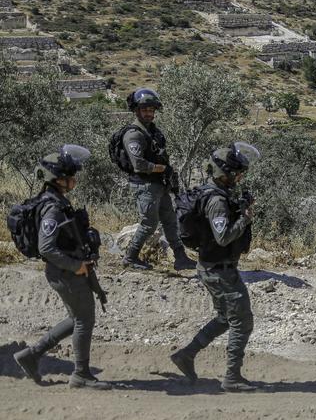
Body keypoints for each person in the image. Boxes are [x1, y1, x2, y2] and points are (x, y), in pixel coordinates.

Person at [14, 145, 112, 390]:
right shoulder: (53, 208)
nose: (74, 181)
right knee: (84, 320)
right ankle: (81, 375)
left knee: (76, 318)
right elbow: (46, 247)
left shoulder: (56, 200)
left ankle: (31, 355)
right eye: (70, 177)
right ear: (57, 179)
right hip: (66, 273)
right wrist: (76, 265)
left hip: (67, 271)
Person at [169, 142, 260, 392]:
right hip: (219, 271)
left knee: (224, 318)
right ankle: (232, 377)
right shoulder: (217, 200)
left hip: (215, 267)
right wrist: (245, 219)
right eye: (237, 173)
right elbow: (223, 237)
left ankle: (186, 355)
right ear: (224, 172)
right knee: (242, 321)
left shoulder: (218, 193)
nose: (240, 178)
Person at [118, 87, 196, 271]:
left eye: (151, 110)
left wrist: (166, 173)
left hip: (158, 184)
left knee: (170, 220)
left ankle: (180, 258)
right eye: (145, 110)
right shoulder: (133, 134)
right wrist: (162, 168)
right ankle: (130, 257)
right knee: (149, 224)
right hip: (145, 185)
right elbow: (138, 164)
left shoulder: (151, 131)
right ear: (136, 110)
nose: (149, 113)